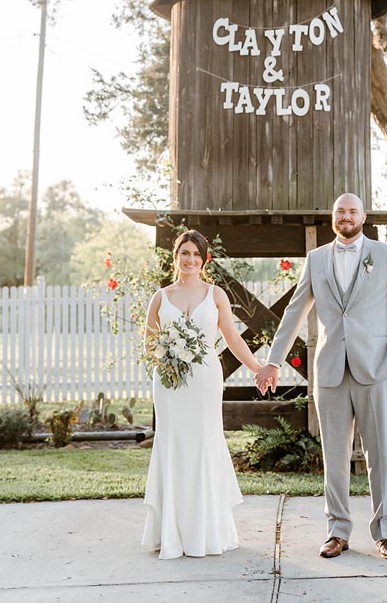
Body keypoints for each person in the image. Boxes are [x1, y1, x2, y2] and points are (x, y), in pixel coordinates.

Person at [256, 193, 387, 561]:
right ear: (333, 217)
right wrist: (273, 362)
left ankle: (386, 532)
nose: (346, 216)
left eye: (352, 211)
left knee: (379, 454)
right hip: (329, 370)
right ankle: (337, 531)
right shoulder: (316, 260)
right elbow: (293, 313)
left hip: (375, 369)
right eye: (340, 211)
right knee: (334, 456)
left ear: (364, 216)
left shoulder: (386, 255)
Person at [142, 229, 262, 559]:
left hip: (205, 380)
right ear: (175, 256)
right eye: (184, 253)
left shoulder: (216, 295)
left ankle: (206, 531)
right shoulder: (160, 297)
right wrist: (166, 358)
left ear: (205, 259)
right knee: (174, 443)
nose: (190, 259)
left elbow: (234, 340)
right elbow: (149, 343)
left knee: (203, 443)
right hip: (168, 383)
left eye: (196, 254)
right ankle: (171, 532)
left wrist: (258, 368)